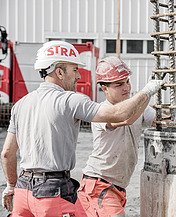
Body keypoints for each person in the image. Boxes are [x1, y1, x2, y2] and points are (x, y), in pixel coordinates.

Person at [1, 41, 163, 217]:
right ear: (60, 72)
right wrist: (147, 92)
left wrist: (11, 186)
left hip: (23, 191)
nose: (79, 76)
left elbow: (7, 153)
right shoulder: (71, 100)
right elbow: (119, 114)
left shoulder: (21, 104)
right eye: (75, 70)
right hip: (52, 193)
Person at [77, 56, 155, 217]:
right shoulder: (100, 111)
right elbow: (125, 118)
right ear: (104, 88)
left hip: (117, 187)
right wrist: (146, 93)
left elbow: (160, 119)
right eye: (119, 84)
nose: (126, 87)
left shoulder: (138, 108)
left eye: (127, 81)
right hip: (98, 183)